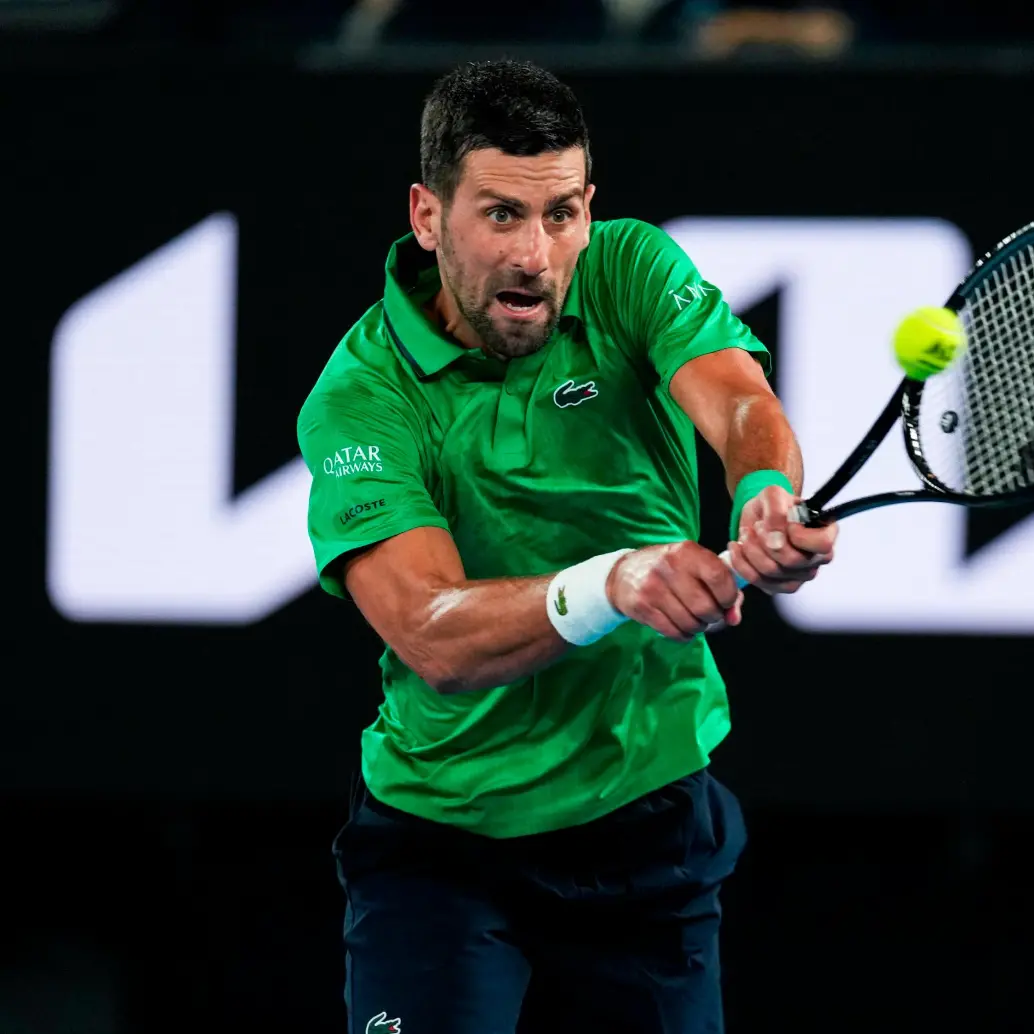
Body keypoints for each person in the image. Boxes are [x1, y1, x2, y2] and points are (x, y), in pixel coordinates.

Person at [297, 58, 838, 1034]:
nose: (536, 254)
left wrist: (763, 494)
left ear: (589, 207)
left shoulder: (630, 267)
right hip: (444, 845)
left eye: (559, 215)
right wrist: (615, 581)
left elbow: (739, 402)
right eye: (500, 213)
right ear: (426, 215)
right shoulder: (361, 394)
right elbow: (431, 632)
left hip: (647, 823)